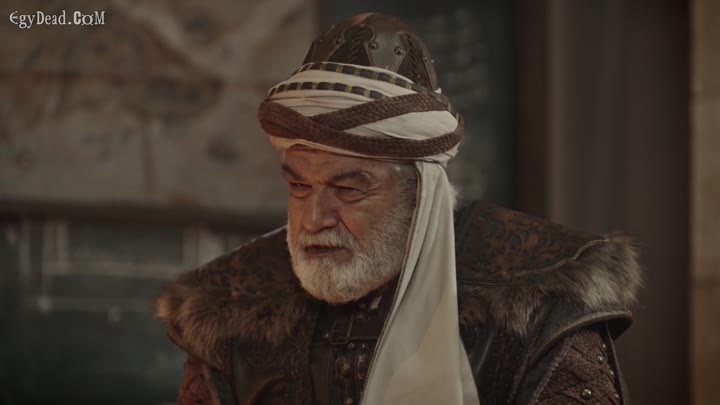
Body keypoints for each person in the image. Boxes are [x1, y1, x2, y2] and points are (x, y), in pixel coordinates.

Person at [155, 13, 642, 405]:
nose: (313, 218)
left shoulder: (541, 299)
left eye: (348, 189)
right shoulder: (229, 307)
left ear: (420, 193)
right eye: (299, 186)